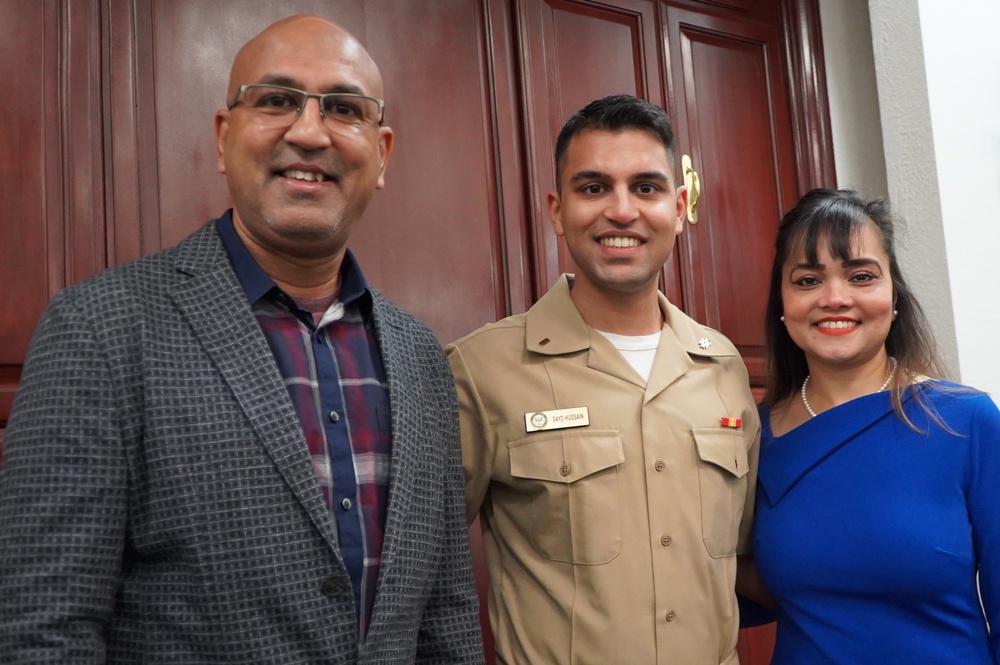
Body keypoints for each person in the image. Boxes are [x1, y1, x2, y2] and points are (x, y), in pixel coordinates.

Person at [0, 14, 484, 664]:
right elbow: (40, 627)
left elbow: (445, 616)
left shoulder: (421, 355)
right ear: (224, 139)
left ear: (382, 152)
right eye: (277, 100)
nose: (309, 132)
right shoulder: (100, 328)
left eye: (344, 108)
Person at [447, 94, 760, 664]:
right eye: (593, 188)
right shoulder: (481, 370)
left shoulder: (723, 369)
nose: (621, 211)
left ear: (680, 206)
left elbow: (744, 556)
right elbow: (426, 569)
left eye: (646, 187)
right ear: (556, 209)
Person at [748, 188, 1000, 663]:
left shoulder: (967, 422)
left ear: (894, 295)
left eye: (861, 276)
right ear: (782, 303)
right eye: (807, 280)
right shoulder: (751, 439)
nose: (835, 298)